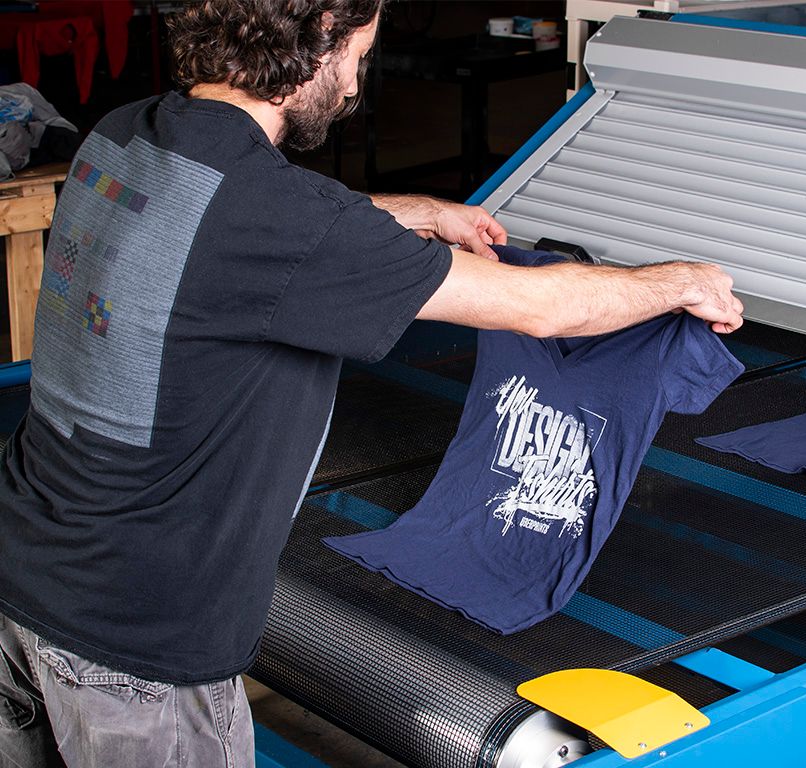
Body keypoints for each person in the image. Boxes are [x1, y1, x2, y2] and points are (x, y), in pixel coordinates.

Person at [0, 1, 744, 766]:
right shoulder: (277, 218)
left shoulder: (127, 131)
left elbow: (254, 219)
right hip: (132, 643)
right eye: (357, 56)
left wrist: (419, 212)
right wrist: (680, 280)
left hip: (24, 572)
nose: (356, 83)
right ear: (319, 34)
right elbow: (542, 310)